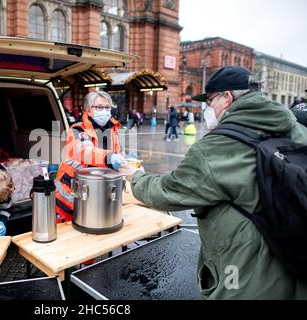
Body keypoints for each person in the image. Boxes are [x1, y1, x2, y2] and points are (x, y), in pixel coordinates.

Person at [126, 65, 307, 299]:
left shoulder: (217, 146)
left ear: (227, 97)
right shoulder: (296, 128)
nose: (208, 108)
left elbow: (169, 190)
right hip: (295, 259)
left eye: (210, 101)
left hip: (248, 275)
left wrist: (136, 179)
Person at [55, 91, 128, 223]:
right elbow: (85, 152)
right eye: (99, 107)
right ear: (88, 110)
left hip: (96, 192)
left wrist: (123, 158)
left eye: (107, 107)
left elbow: (118, 151)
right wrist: (110, 157)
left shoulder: (112, 129)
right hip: (70, 196)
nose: (104, 111)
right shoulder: (78, 130)